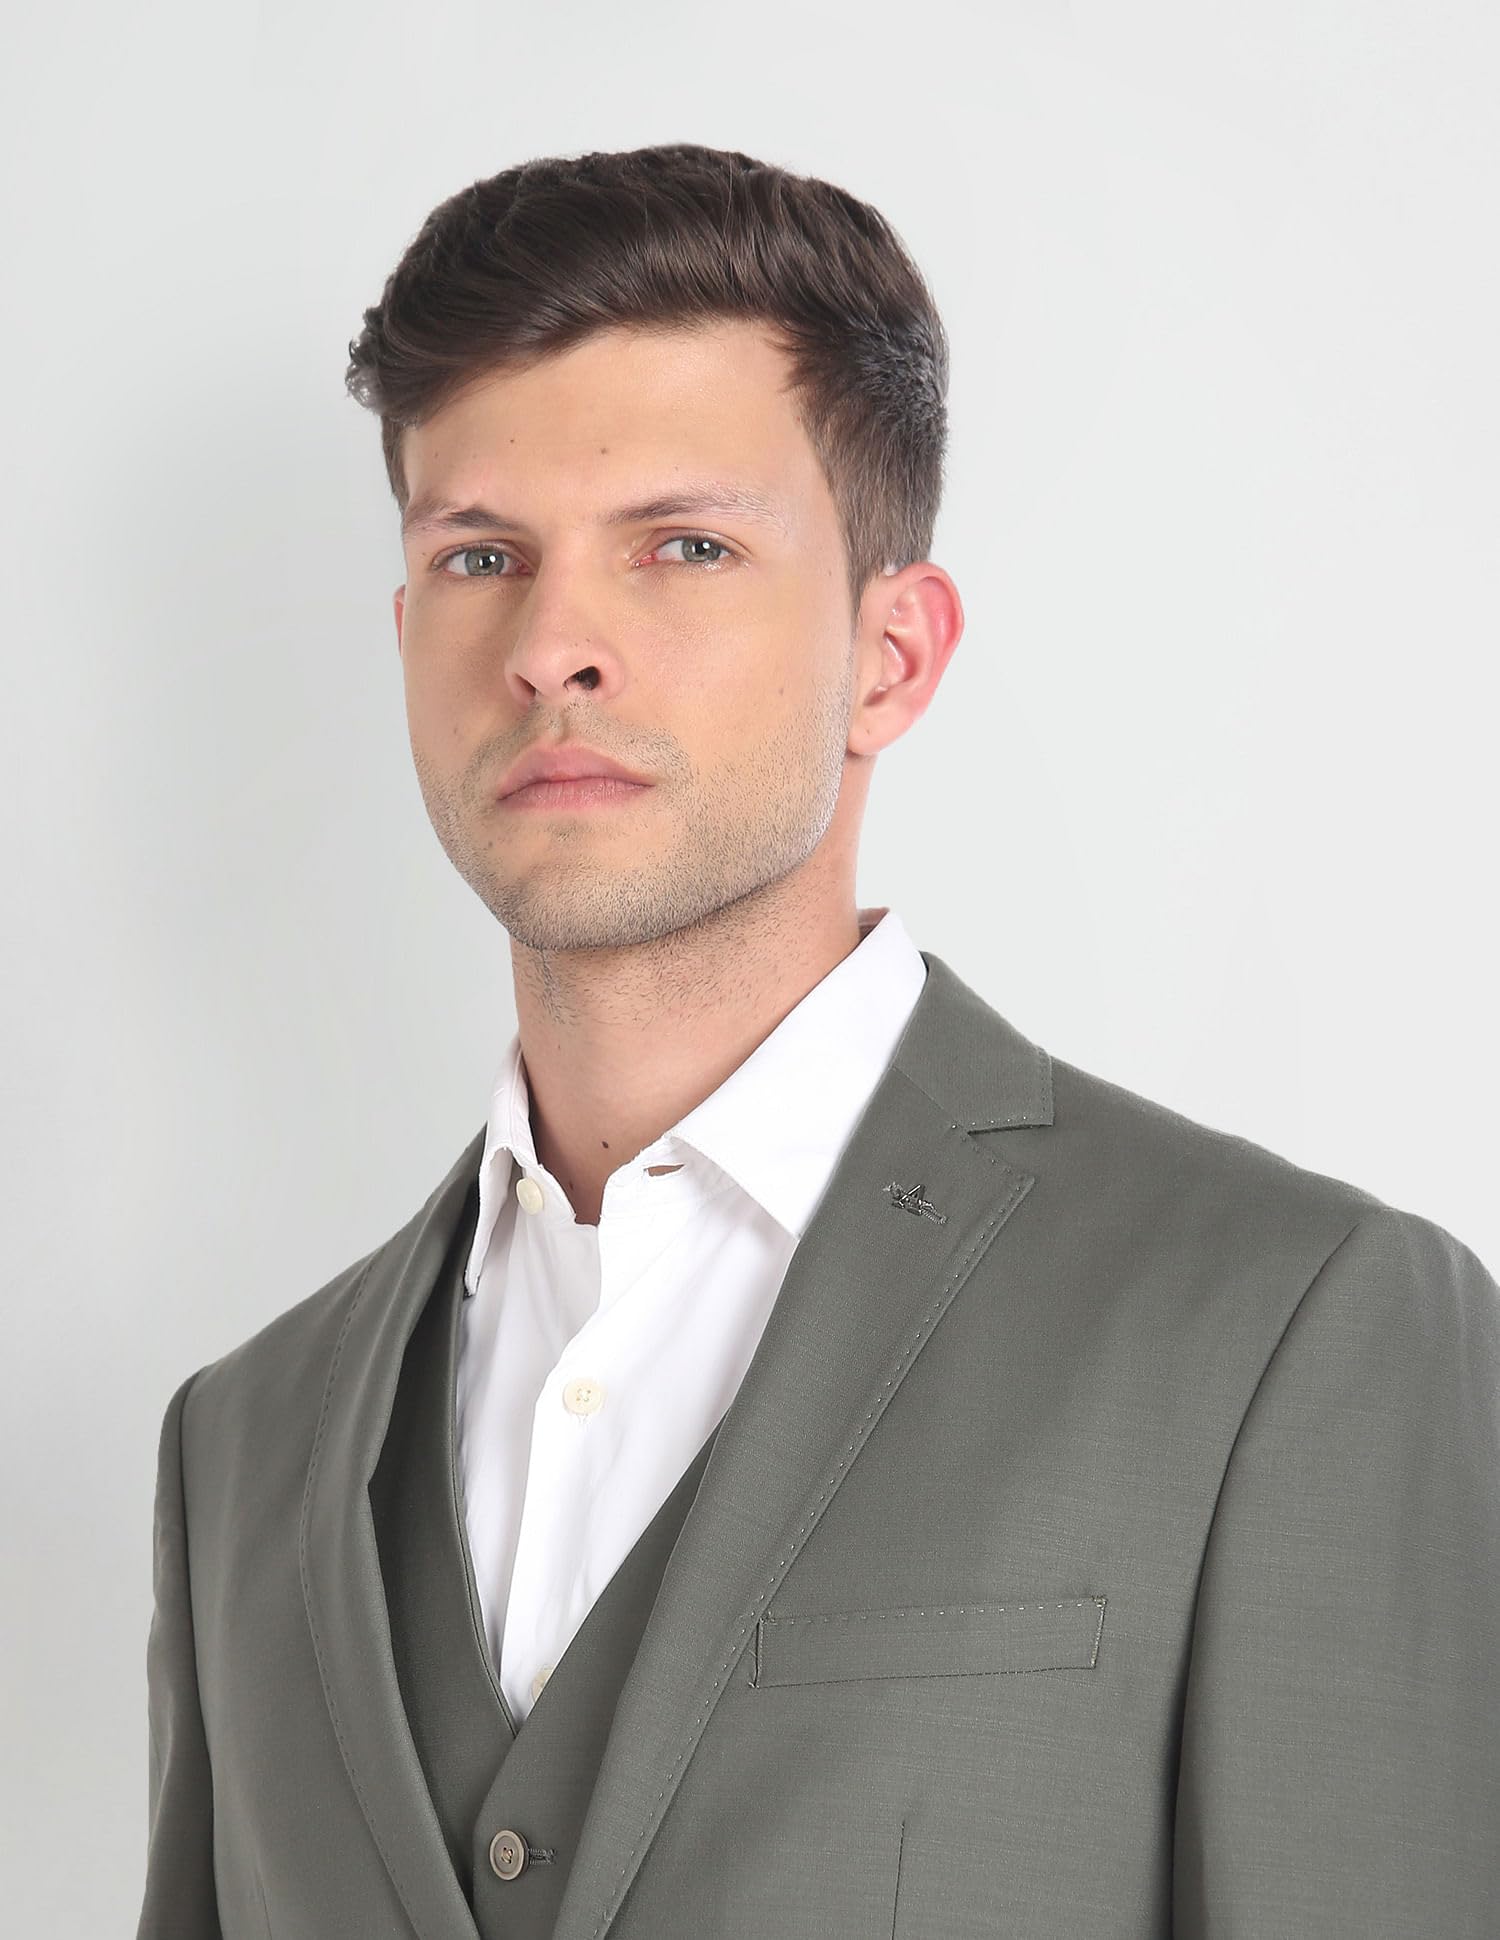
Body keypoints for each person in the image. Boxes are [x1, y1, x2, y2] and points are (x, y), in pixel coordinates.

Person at [135, 143, 1500, 1940]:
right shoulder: (243, 1446)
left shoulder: (1287, 1329)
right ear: (408, 637)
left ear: (892, 656)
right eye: (480, 557)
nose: (553, 646)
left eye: (684, 547)